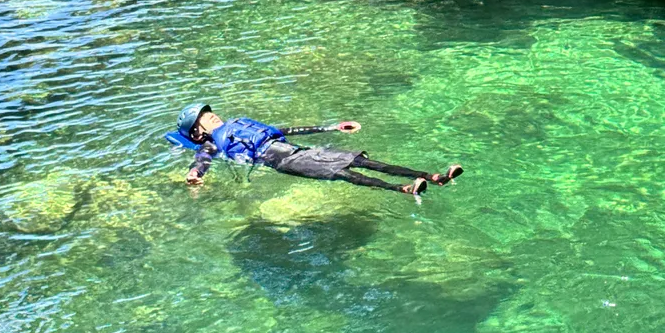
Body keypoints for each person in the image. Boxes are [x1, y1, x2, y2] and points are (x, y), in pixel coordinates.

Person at [166, 103, 462, 197]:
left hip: (294, 150)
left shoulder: (239, 123)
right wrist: (194, 173)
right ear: (197, 130)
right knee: (343, 173)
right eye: (204, 118)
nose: (211, 116)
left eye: (209, 112)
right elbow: (203, 159)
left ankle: (433, 176)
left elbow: (287, 131)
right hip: (281, 162)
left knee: (360, 160)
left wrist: (331, 127)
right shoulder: (210, 142)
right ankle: (403, 189)